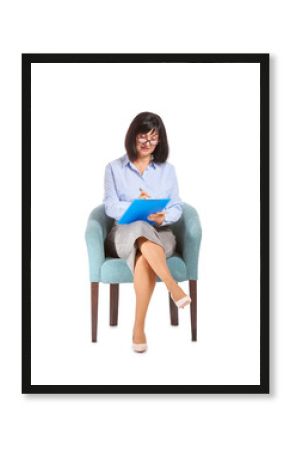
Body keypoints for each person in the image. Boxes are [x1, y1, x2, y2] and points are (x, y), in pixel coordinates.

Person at [103, 112, 192, 353]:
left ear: (160, 141)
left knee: (144, 258)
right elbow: (110, 206)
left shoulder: (167, 170)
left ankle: (138, 328)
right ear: (132, 136)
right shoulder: (113, 168)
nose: (147, 143)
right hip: (123, 232)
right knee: (139, 227)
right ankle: (174, 287)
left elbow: (176, 206)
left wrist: (164, 216)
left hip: (160, 231)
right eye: (143, 137)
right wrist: (135, 206)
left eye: (153, 138)